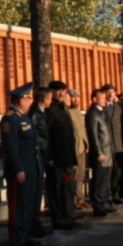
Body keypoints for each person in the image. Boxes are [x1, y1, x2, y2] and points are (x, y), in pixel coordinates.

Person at [0, 83, 42, 246]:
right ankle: (17, 238)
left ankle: (26, 234)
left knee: (28, 205)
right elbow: (11, 147)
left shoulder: (24, 117)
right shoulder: (10, 119)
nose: (30, 101)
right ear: (21, 101)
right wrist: (19, 169)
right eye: (28, 98)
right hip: (20, 171)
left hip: (31, 168)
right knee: (18, 206)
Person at [44, 81, 79, 229]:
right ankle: (58, 219)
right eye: (57, 90)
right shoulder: (49, 110)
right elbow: (46, 135)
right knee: (56, 189)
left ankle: (67, 215)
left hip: (67, 158)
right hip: (56, 159)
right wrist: (49, 157)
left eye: (63, 90)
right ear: (51, 92)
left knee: (68, 188)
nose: (61, 93)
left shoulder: (64, 108)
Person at [28, 86, 52, 237]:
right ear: (44, 100)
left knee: (38, 193)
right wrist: (44, 153)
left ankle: (36, 223)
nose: (51, 101)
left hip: (42, 157)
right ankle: (33, 225)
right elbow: (36, 138)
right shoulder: (34, 114)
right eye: (49, 98)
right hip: (37, 158)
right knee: (35, 194)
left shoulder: (41, 113)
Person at [85, 89, 114, 216]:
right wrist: (98, 152)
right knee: (99, 180)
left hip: (108, 151)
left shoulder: (103, 112)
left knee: (106, 180)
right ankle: (98, 205)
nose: (105, 101)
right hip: (101, 152)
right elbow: (93, 135)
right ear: (95, 99)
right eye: (102, 98)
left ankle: (105, 203)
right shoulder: (92, 113)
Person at [100, 84, 123, 205]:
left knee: (118, 171)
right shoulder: (102, 107)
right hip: (108, 145)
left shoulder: (118, 107)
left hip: (119, 144)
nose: (111, 94)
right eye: (108, 92)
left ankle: (116, 193)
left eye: (113, 92)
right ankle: (108, 195)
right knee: (109, 172)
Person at [68, 89, 91, 210]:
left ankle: (80, 198)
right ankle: (73, 200)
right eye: (73, 97)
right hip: (74, 149)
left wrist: (86, 144)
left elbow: (83, 130)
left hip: (82, 148)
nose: (76, 100)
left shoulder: (77, 111)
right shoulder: (68, 112)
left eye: (77, 97)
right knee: (74, 176)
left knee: (81, 175)